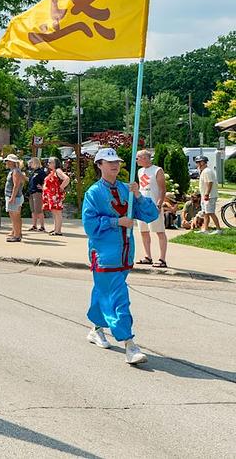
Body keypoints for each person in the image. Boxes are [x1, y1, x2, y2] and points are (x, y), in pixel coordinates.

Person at [82, 148, 158, 365]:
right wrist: (117, 222)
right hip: (105, 255)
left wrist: (138, 196)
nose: (114, 165)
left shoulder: (127, 189)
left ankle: (96, 328)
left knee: (103, 292)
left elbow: (151, 215)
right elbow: (90, 225)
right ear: (99, 165)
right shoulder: (93, 193)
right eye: (108, 162)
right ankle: (129, 343)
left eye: (116, 161)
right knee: (118, 298)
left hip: (125, 254)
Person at [134, 150, 168, 268]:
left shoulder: (157, 170)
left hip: (153, 206)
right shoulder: (140, 171)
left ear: (145, 158)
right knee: (143, 232)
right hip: (142, 205)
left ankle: (162, 259)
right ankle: (148, 256)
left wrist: (159, 204)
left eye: (138, 157)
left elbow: (162, 189)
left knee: (159, 231)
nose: (136, 160)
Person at [42, 157, 69, 236]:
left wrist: (61, 187)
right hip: (52, 195)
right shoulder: (52, 171)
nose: (48, 164)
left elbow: (66, 178)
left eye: (50, 162)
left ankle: (58, 231)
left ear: (55, 163)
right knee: (55, 212)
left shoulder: (58, 170)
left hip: (55, 195)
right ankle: (56, 229)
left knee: (57, 212)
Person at [195, 156, 221, 235]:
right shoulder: (204, 171)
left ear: (203, 162)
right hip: (205, 196)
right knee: (206, 213)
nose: (197, 164)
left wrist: (207, 194)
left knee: (211, 212)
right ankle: (205, 229)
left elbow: (209, 183)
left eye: (198, 162)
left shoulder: (207, 171)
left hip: (209, 196)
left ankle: (218, 229)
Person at [3, 154, 25, 242]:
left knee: (15, 216)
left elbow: (16, 186)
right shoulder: (15, 171)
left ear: (12, 162)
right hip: (14, 196)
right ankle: (17, 233)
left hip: (14, 197)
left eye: (8, 161)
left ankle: (16, 236)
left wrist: (12, 197)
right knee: (15, 216)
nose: (6, 162)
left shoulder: (15, 171)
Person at [27, 157, 48, 232]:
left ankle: (42, 226)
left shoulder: (41, 172)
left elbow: (46, 181)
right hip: (31, 192)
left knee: (39, 210)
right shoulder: (33, 172)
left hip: (37, 192)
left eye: (31, 163)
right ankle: (34, 225)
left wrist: (42, 187)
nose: (30, 164)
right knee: (33, 210)